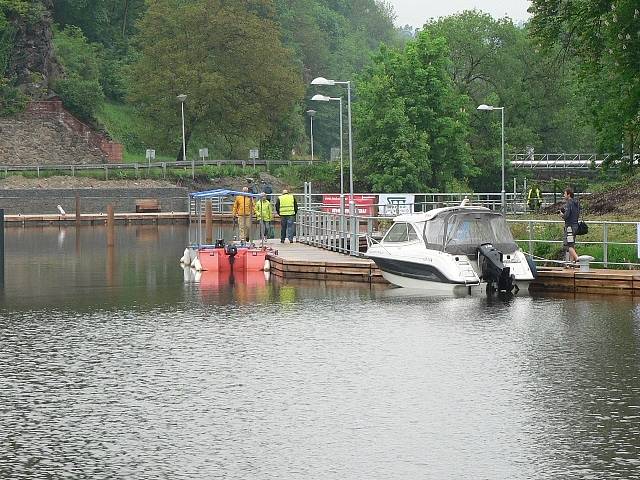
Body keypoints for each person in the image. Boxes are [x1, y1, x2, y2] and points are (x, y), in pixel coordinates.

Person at [560, 187, 579, 264]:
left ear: (568, 194)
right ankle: (571, 263)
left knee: (567, 245)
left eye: (565, 194)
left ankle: (577, 259)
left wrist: (562, 215)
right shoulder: (576, 203)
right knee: (572, 244)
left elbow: (566, 215)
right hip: (575, 225)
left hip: (569, 227)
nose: (564, 195)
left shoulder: (569, 204)